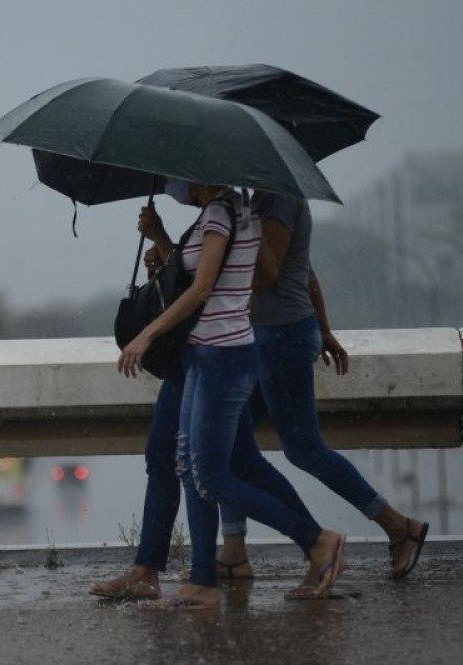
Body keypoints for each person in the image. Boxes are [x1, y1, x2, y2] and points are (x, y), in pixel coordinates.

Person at [112, 182, 346, 607]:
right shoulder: (228, 213)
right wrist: (166, 248)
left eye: (181, 174)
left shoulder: (223, 214)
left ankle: (317, 541)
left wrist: (146, 333)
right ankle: (202, 580)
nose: (173, 183)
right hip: (204, 355)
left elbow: (202, 289)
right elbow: (207, 283)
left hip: (222, 358)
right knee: (193, 467)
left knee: (212, 475)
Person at [216, 193, 429, 584]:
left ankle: (396, 528)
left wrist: (210, 272)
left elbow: (268, 275)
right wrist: (325, 329)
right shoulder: (262, 201)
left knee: (304, 449)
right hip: (270, 334)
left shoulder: (278, 199)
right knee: (229, 441)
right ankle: (234, 550)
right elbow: (306, 272)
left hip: (280, 336)